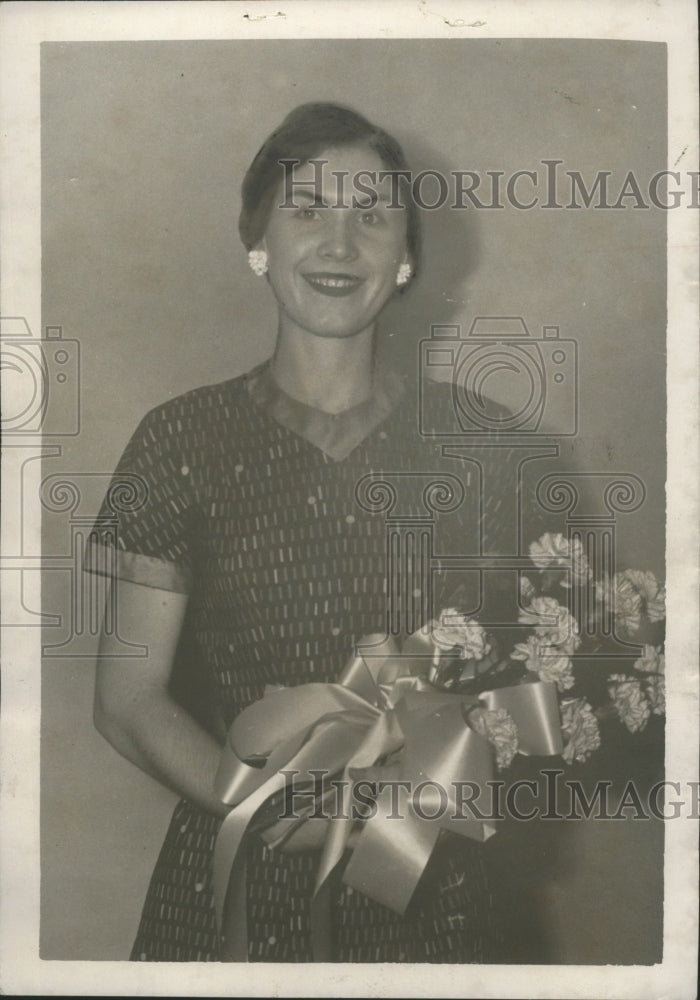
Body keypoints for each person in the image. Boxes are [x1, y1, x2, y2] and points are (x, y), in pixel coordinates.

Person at [87, 102, 535, 963]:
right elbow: (127, 702)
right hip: (231, 884)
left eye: (372, 215)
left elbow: (530, 693)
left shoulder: (485, 448)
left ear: (406, 258)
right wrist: (264, 801)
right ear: (258, 240)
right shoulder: (180, 440)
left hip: (424, 893)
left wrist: (394, 803)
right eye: (308, 211)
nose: (340, 244)